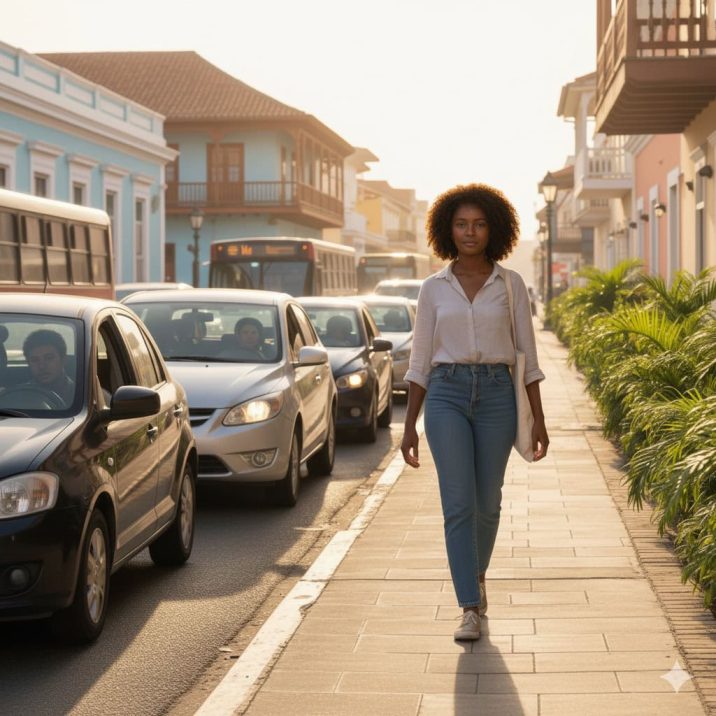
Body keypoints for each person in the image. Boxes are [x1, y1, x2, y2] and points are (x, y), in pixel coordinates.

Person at [401, 183, 549, 642]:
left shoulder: (511, 285)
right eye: (462, 224)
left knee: (488, 504)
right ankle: (469, 605)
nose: (470, 232)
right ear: (447, 228)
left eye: (479, 224)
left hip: (497, 396)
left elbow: (527, 353)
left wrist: (539, 418)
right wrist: (409, 427)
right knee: (458, 504)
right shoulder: (432, 288)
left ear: (494, 229)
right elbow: (420, 360)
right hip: (445, 394)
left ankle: (476, 578)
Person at [22, 329, 75, 406]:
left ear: (63, 359)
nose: (41, 366)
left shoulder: (79, 396)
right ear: (28, 363)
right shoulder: (21, 394)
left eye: (49, 358)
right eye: (34, 360)